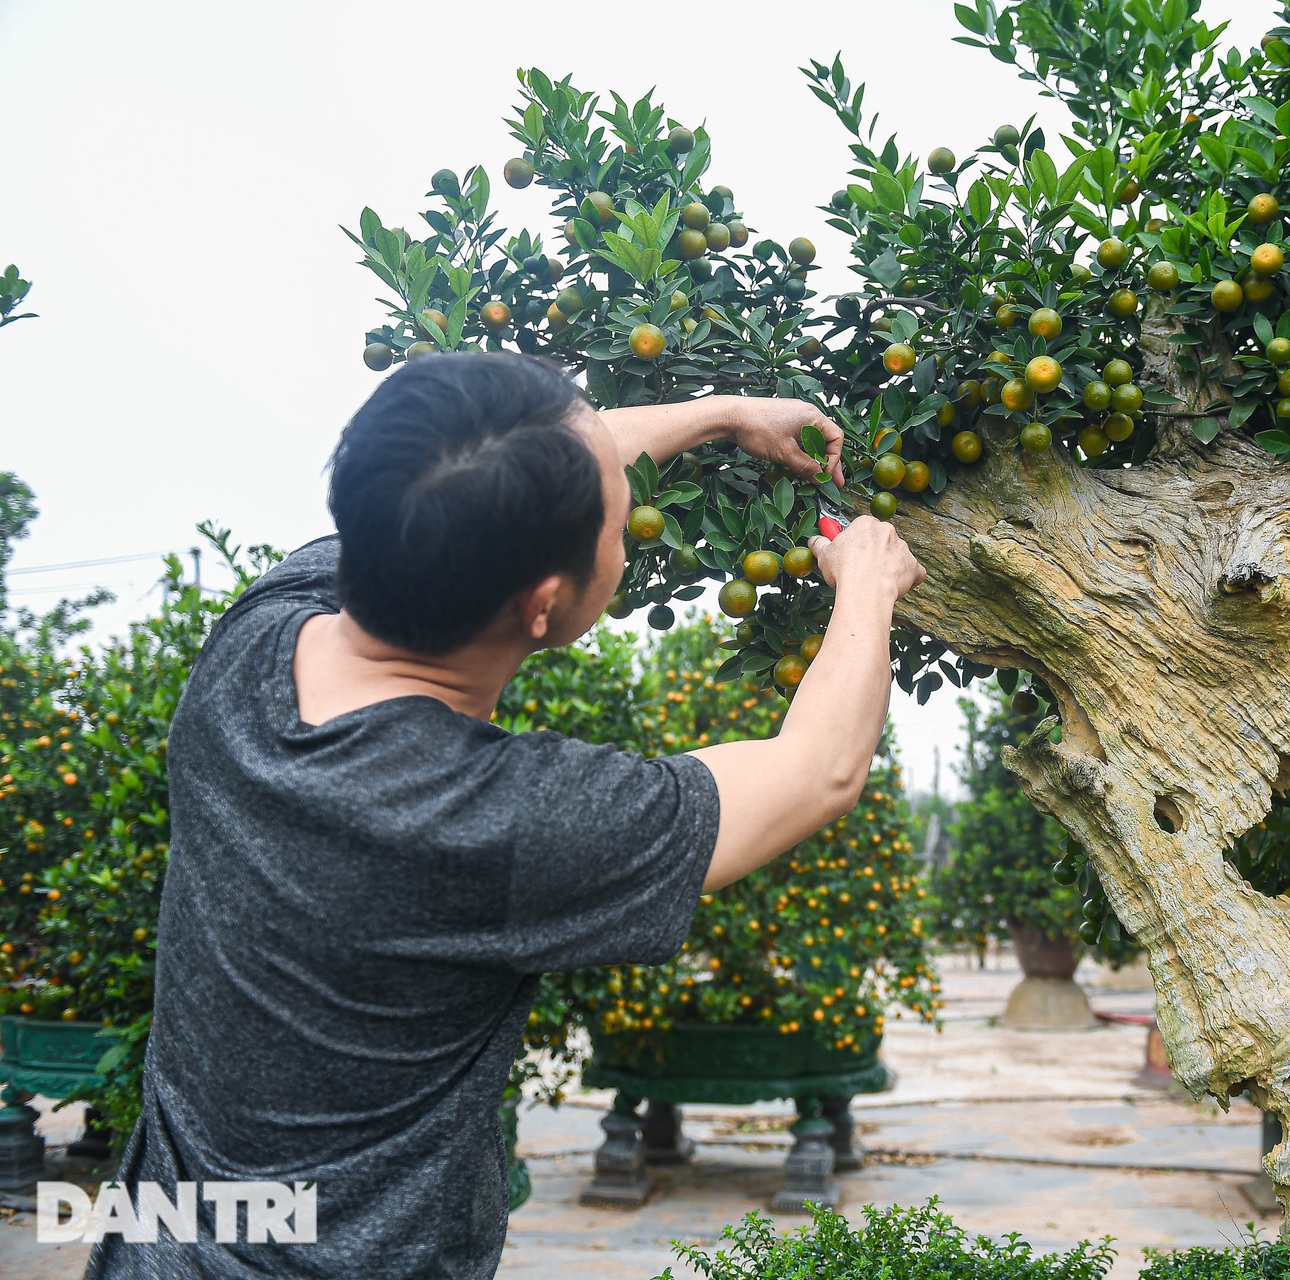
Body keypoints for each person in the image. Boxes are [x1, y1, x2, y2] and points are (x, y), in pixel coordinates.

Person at [85, 352, 924, 1279]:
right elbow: (816, 772)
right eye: (617, 524)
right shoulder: (500, 824)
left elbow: (525, 458)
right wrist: (869, 586)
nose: (626, 524)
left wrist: (726, 413)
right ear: (545, 604)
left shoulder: (252, 643)